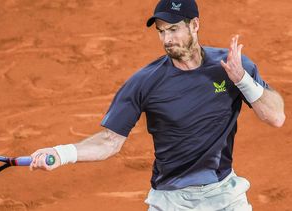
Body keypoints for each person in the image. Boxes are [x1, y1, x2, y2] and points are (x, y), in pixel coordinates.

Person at [29, 0, 285, 210]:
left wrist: (243, 81)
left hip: (225, 195)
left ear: (194, 25)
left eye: (173, 29)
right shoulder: (144, 83)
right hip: (172, 201)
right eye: (161, 31)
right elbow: (109, 142)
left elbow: (275, 117)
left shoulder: (231, 66)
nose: (166, 39)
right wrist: (62, 154)